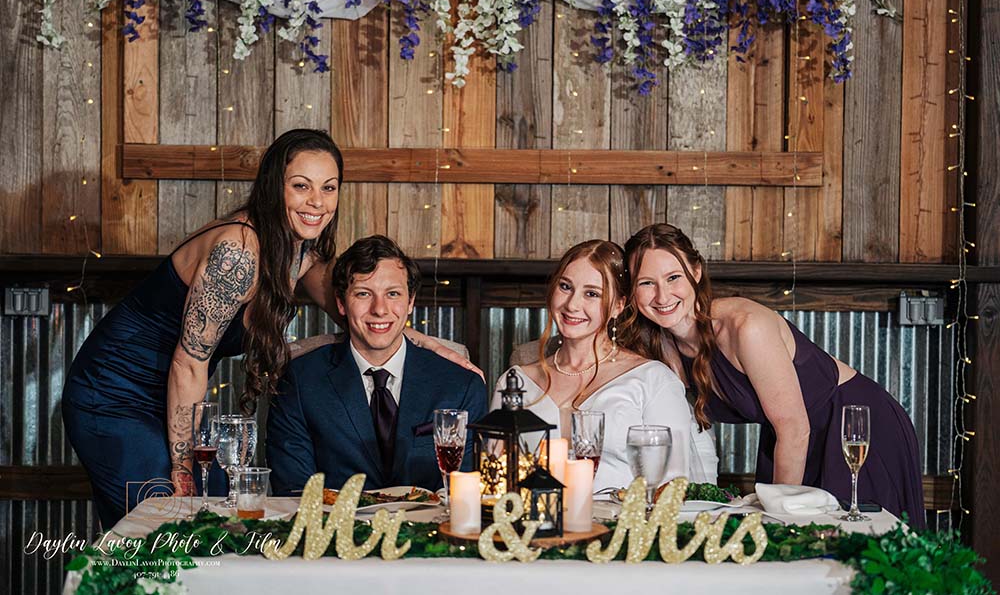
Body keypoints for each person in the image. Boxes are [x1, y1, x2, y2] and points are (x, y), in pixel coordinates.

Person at [62, 129, 476, 529]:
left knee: (221, 516)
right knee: (168, 518)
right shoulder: (238, 252)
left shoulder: (297, 253)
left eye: (329, 188)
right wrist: (183, 462)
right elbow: (189, 363)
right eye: (301, 186)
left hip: (174, 397)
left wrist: (431, 348)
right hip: (114, 394)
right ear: (274, 187)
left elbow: (364, 317)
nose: (317, 201)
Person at [620, 223, 926, 527]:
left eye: (673, 277)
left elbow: (794, 429)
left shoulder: (745, 326)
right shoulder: (664, 345)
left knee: (853, 553)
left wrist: (779, 518)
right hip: (786, 443)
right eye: (646, 283)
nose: (662, 295)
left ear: (696, 272)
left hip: (850, 430)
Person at [491, 240, 718, 493]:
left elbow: (674, 488)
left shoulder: (652, 380)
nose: (572, 305)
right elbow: (493, 476)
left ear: (618, 306)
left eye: (592, 294)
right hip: (531, 525)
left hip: (624, 527)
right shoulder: (516, 382)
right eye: (565, 287)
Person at [267, 235, 488, 494]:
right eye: (363, 294)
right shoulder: (301, 381)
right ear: (341, 302)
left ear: (411, 302)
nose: (379, 309)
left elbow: (469, 487)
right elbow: (293, 489)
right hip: (334, 530)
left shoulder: (461, 385)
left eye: (392, 294)